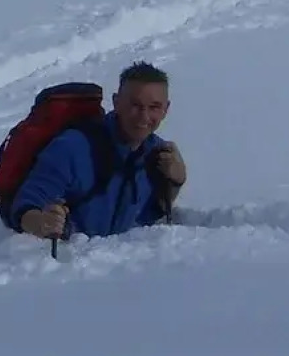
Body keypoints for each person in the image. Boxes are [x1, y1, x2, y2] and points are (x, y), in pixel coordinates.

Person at [10, 61, 187, 240]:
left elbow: (152, 211)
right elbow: (24, 205)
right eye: (135, 105)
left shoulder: (157, 153)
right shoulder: (72, 147)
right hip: (65, 261)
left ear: (166, 109)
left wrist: (175, 182)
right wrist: (41, 223)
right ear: (116, 102)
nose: (144, 116)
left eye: (154, 107)